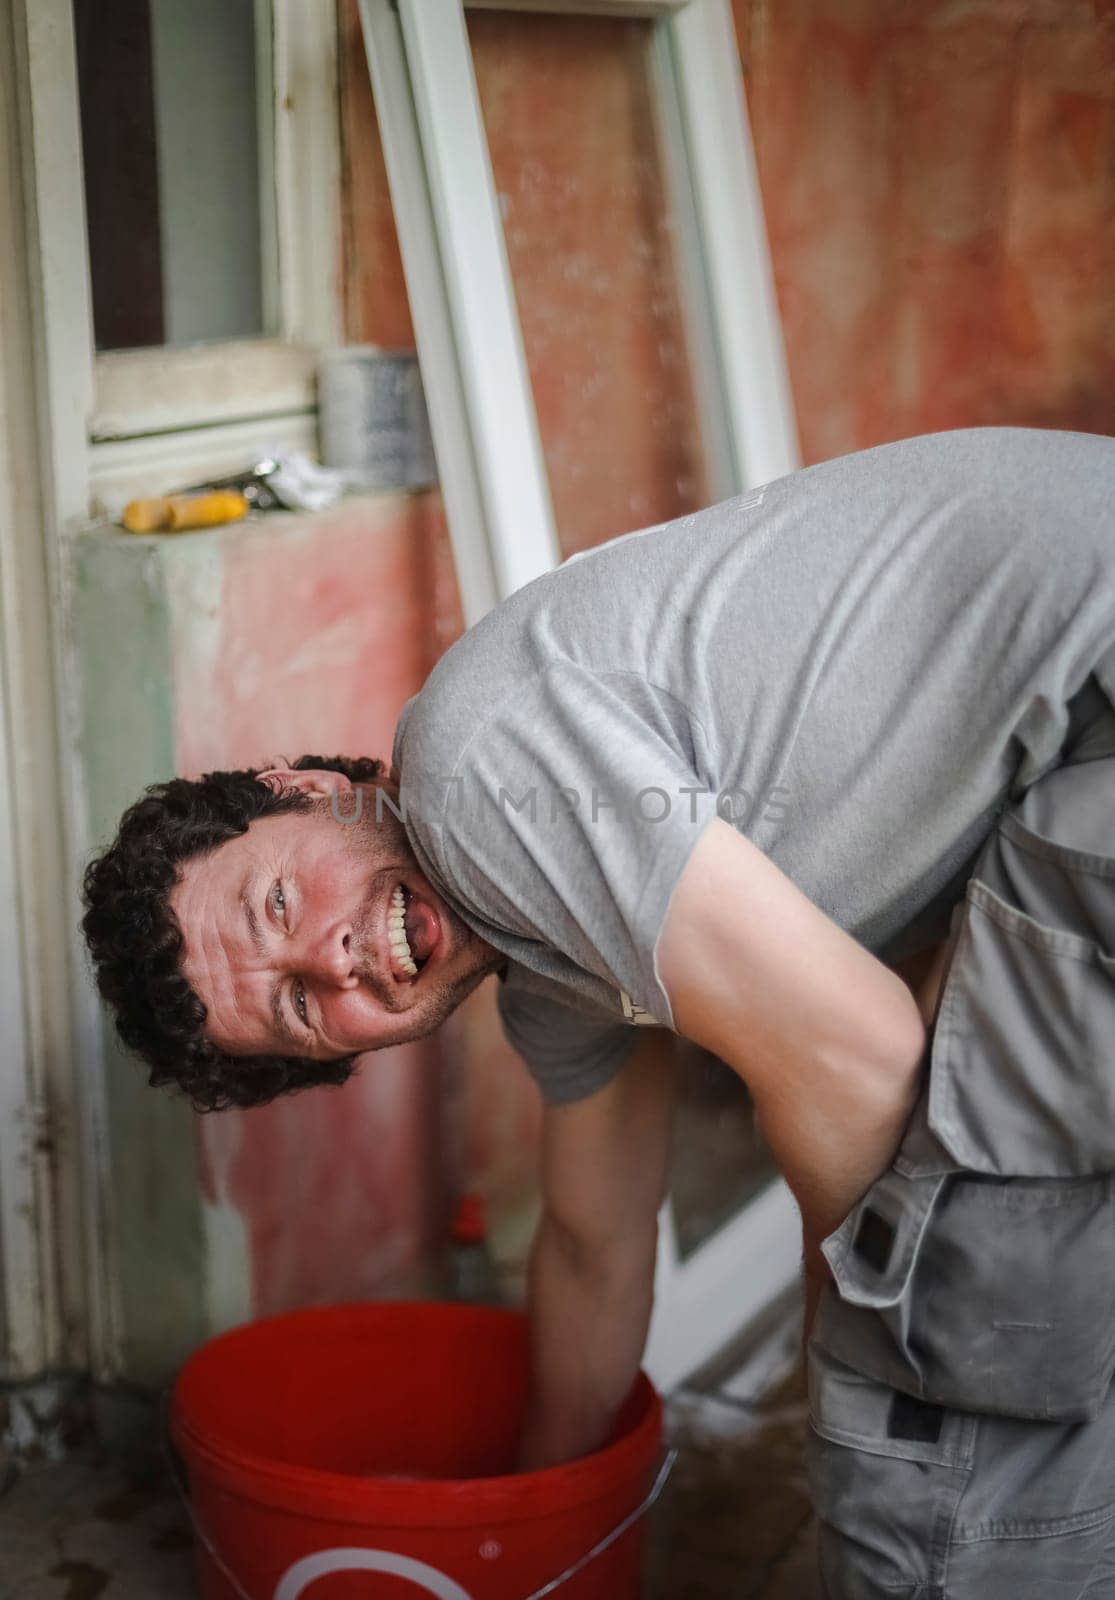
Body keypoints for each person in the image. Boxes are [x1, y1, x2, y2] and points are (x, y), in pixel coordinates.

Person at [82, 426, 1115, 1596]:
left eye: (278, 902)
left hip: (1095, 698)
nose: (331, 963)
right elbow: (591, 1242)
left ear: (308, 789)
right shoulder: (551, 971)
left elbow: (861, 1056)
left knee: (934, 1488)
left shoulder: (470, 783)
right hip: (1072, 736)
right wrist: (530, 1518)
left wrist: (857, 1376)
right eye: (301, 1012)